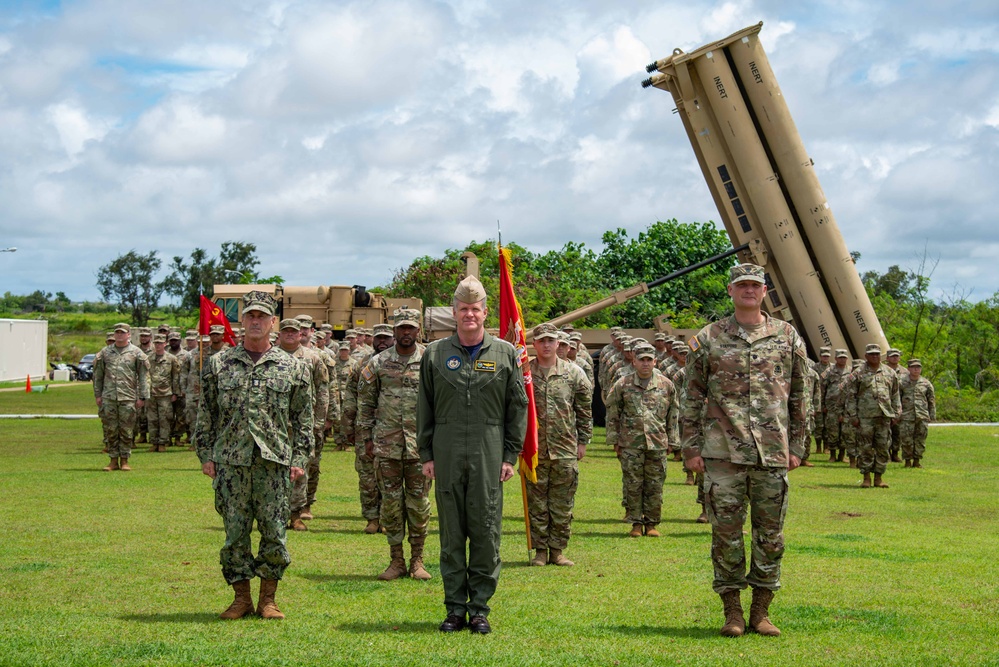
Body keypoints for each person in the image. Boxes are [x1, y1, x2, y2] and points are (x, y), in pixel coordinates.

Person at [681, 263, 808, 638]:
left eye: (755, 285)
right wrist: (690, 447)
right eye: (742, 285)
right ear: (730, 291)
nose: (749, 290)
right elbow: (691, 395)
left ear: (765, 291)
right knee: (726, 535)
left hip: (772, 453)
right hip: (723, 452)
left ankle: (761, 612)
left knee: (771, 535)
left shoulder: (786, 335)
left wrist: (798, 445)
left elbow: (802, 393)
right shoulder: (709, 337)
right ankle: (732, 612)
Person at [417, 276, 528, 634]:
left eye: (475, 309)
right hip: (447, 453)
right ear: (454, 312)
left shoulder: (505, 353)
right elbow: (425, 407)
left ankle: (479, 609)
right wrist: (426, 454)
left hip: (489, 452)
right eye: (463, 309)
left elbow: (518, 408)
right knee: (451, 534)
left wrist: (510, 454)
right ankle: (454, 609)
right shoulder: (435, 353)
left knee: (485, 532)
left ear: (484, 313)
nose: (469, 314)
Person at [195, 291, 313, 620]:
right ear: (242, 321)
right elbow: (206, 415)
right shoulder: (218, 365)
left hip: (274, 465)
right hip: (231, 464)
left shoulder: (293, 367)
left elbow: (304, 419)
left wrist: (299, 459)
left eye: (263, 316)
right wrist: (206, 454)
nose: (256, 321)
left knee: (275, 533)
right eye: (250, 316)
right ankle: (241, 598)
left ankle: (269, 599)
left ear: (273, 323)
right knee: (235, 534)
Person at [357, 308, 432, 581]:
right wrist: (365, 437)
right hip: (386, 445)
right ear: (394, 331)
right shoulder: (378, 362)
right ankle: (396, 560)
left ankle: (417, 560)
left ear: (418, 330)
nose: (406, 332)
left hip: (419, 448)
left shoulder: (429, 360)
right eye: (401, 328)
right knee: (390, 503)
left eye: (411, 328)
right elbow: (366, 402)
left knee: (418, 503)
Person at [526, 323, 592, 567]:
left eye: (550, 341)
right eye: (541, 340)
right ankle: (540, 551)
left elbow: (584, 410)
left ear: (558, 343)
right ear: (535, 344)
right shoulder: (525, 373)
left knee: (562, 503)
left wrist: (583, 442)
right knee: (537, 503)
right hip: (535, 451)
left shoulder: (573, 373)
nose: (546, 345)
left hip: (565, 448)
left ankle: (558, 550)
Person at [605, 342, 678, 538]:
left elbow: (673, 415)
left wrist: (673, 441)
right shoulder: (622, 384)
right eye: (641, 360)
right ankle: (636, 523)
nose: (645, 363)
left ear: (655, 361)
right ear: (634, 361)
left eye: (649, 360)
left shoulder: (666, 385)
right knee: (633, 483)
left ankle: (652, 523)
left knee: (655, 484)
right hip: (631, 442)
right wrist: (614, 440)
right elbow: (613, 413)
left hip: (657, 442)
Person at [275, 318, 329, 532]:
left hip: (303, 424)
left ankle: (296, 514)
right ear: (279, 334)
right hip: (275, 425)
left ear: (301, 334)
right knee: (274, 469)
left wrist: (319, 422)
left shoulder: (313, 358)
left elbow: (322, 390)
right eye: (285, 331)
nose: (290, 334)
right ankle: (275, 512)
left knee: (300, 469)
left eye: (294, 331)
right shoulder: (270, 357)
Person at [93, 323, 149, 471]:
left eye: (122, 333)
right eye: (117, 332)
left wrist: (142, 397)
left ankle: (124, 460)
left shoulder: (136, 353)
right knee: (110, 429)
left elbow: (143, 376)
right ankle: (112, 460)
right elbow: (98, 376)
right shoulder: (105, 353)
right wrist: (98, 395)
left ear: (129, 334)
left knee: (126, 430)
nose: (119, 335)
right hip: (109, 397)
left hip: (128, 397)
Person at [844, 344, 901, 488]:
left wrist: (896, 412)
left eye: (877, 354)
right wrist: (853, 416)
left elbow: (895, 395)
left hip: (884, 416)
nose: (875, 356)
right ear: (866, 356)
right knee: (865, 448)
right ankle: (866, 477)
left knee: (883, 447)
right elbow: (851, 397)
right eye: (871, 354)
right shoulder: (858, 374)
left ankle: (879, 477)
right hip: (865, 417)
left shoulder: (890, 373)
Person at [147, 334, 180, 453]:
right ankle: (154, 442)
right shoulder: (148, 358)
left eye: (160, 343)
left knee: (165, 418)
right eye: (156, 343)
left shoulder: (171, 359)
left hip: (165, 393)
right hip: (151, 393)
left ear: (165, 344)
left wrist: (175, 393)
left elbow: (175, 376)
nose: (158, 345)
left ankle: (163, 442)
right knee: (152, 419)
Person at [899, 359, 935, 468]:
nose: (916, 369)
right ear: (909, 368)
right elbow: (896, 399)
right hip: (906, 416)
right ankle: (907, 461)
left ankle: (917, 460)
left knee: (920, 439)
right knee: (906, 440)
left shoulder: (926, 383)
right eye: (914, 367)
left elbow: (931, 400)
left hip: (922, 415)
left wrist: (932, 414)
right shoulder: (902, 383)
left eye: (918, 367)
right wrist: (897, 413)